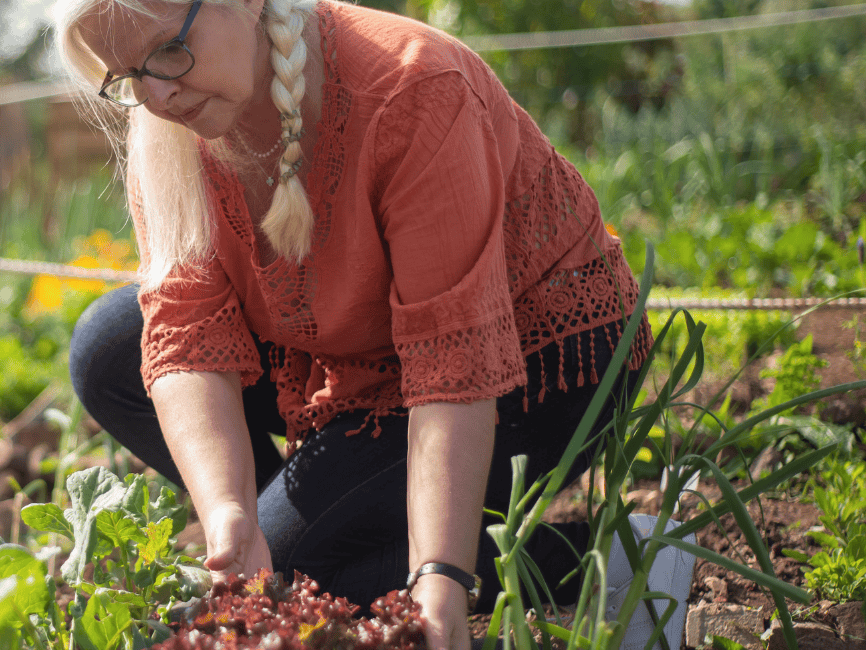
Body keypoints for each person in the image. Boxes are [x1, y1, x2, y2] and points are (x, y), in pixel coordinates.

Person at [54, 0, 681, 647]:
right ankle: (315, 537)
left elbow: (454, 369)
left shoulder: (413, 88)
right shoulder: (172, 126)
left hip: (536, 361)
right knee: (110, 347)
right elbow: (186, 329)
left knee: (305, 576)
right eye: (128, 75)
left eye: (168, 52)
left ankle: (609, 558)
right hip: (357, 357)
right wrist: (229, 511)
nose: (157, 93)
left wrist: (439, 577)